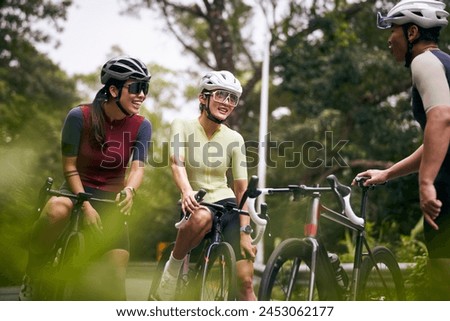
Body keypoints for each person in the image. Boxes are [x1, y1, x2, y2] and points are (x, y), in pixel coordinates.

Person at [19, 56, 152, 300]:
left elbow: (138, 168)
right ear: (113, 90)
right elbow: (69, 167)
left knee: (114, 276)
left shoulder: (142, 126)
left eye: (145, 88)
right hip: (75, 189)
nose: (141, 94)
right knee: (55, 211)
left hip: (112, 199)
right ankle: (33, 273)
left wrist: (130, 190)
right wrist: (86, 204)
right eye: (135, 87)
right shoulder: (79, 116)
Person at [356, 0, 450, 299]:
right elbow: (438, 140)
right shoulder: (444, 64)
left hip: (446, 186)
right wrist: (387, 174)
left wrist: (425, 182)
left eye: (393, 30)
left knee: (443, 278)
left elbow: (441, 118)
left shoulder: (425, 62)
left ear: (412, 33)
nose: (388, 40)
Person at [155, 70, 257, 301]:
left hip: (228, 205)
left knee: (246, 283)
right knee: (202, 217)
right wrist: (186, 190)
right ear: (203, 97)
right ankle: (172, 270)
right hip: (196, 201)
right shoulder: (182, 124)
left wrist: (245, 232)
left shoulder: (235, 139)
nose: (227, 103)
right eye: (221, 95)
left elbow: (241, 190)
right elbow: (176, 162)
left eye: (232, 98)